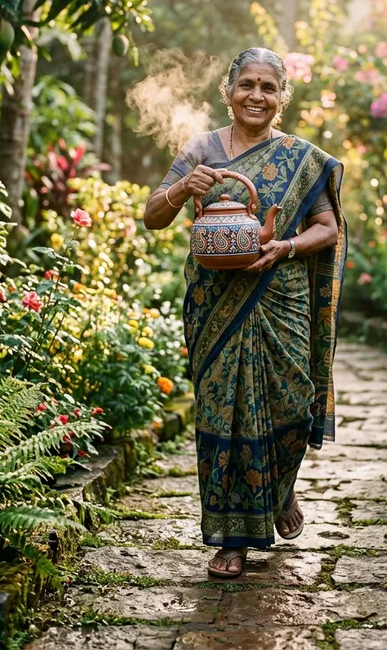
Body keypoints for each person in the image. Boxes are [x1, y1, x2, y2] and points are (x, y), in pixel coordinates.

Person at [143, 47, 347, 579]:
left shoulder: (301, 158)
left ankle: (278, 491)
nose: (257, 95)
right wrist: (184, 187)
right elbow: (152, 215)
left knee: (291, 407)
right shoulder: (201, 150)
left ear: (282, 98)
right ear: (228, 91)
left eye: (268, 87)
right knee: (222, 416)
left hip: (283, 298)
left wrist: (286, 248)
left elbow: (327, 228)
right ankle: (233, 539)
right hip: (215, 305)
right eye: (247, 85)